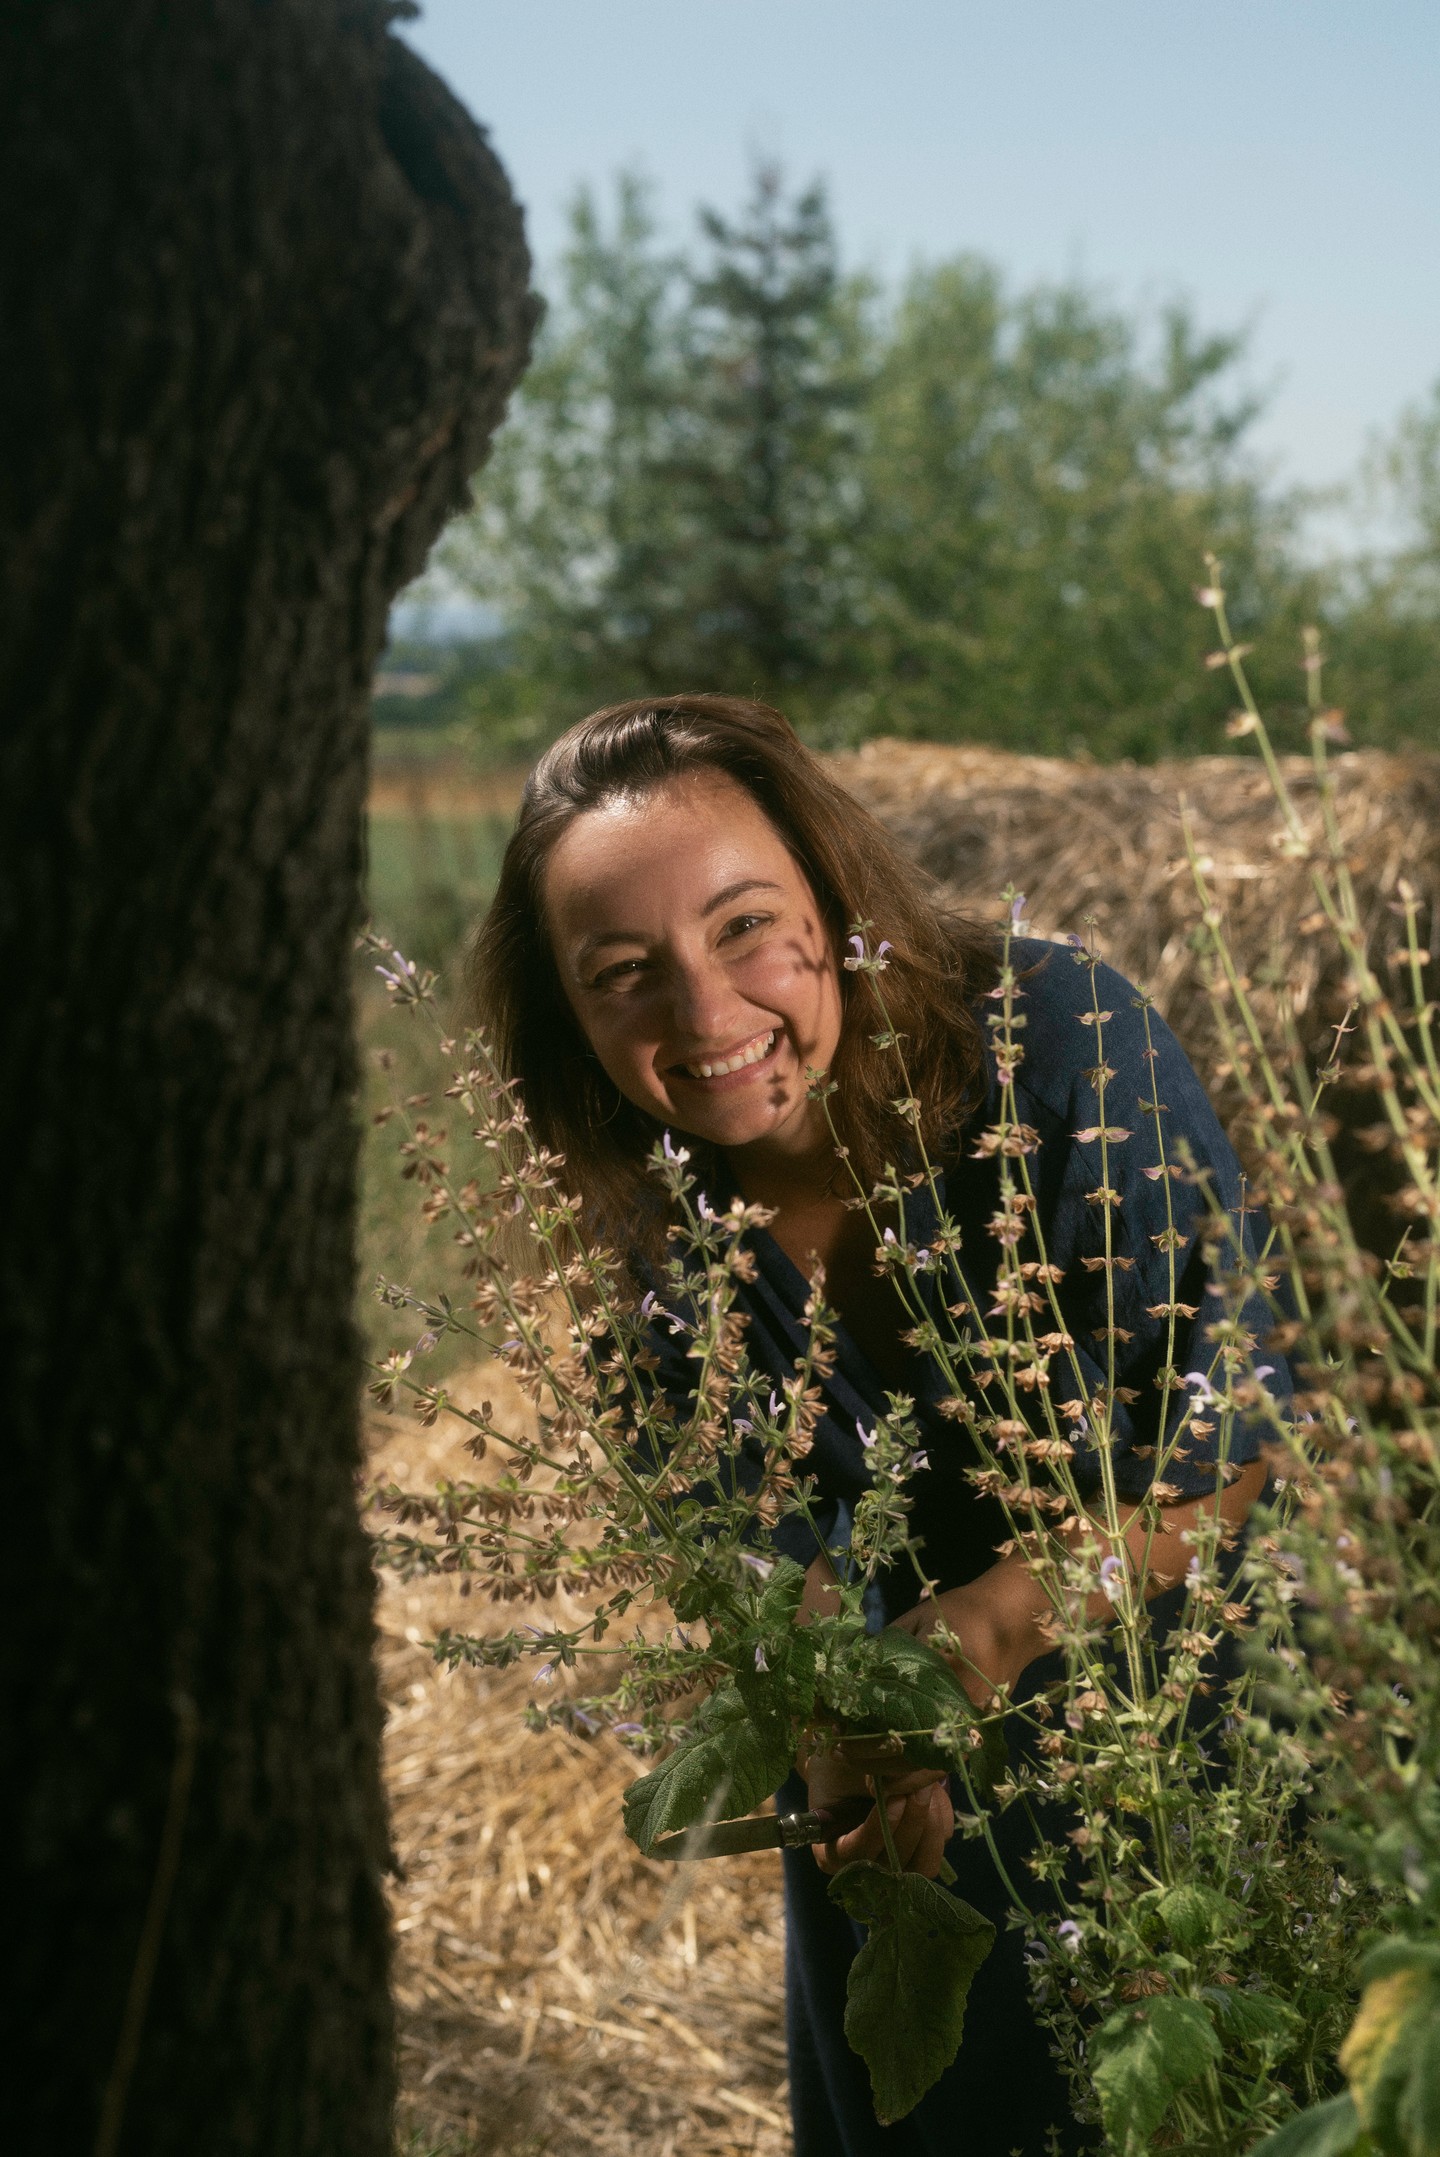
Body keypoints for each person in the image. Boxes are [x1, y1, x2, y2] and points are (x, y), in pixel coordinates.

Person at [469, 694, 1277, 2157]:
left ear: (838, 903)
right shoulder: (628, 1223)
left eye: (744, 927)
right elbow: (754, 1558)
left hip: (1163, 1705)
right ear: (568, 1014)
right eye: (623, 972)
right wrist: (835, 1728)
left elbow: (1229, 1454)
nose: (707, 1017)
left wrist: (987, 1629)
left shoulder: (1061, 1046)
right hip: (890, 1758)